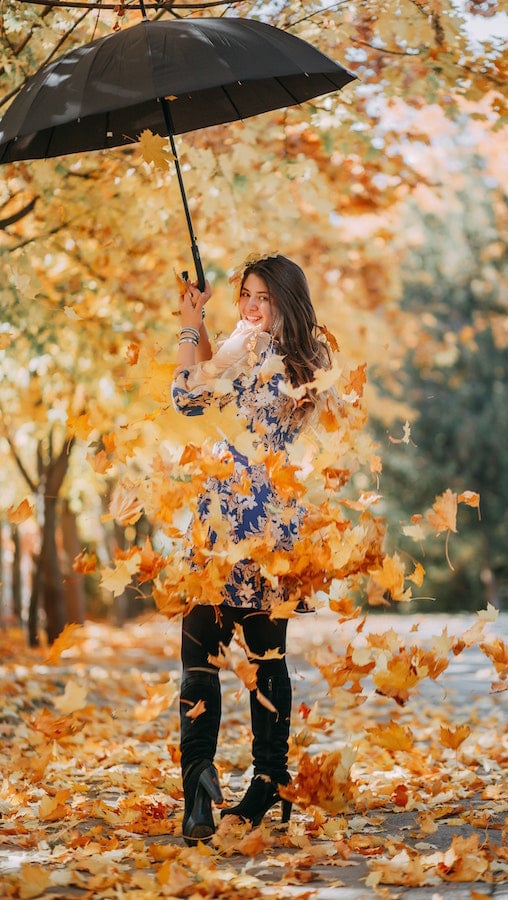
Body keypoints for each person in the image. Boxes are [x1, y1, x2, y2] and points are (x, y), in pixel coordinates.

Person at [170, 253, 333, 844]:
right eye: (244, 295)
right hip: (250, 518)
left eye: (262, 297)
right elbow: (213, 387)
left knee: (227, 654)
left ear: (286, 300)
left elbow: (193, 392)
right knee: (243, 655)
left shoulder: (283, 353)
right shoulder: (293, 351)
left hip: (240, 518)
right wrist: (207, 325)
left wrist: (192, 329)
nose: (250, 307)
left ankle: (219, 788)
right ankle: (247, 783)